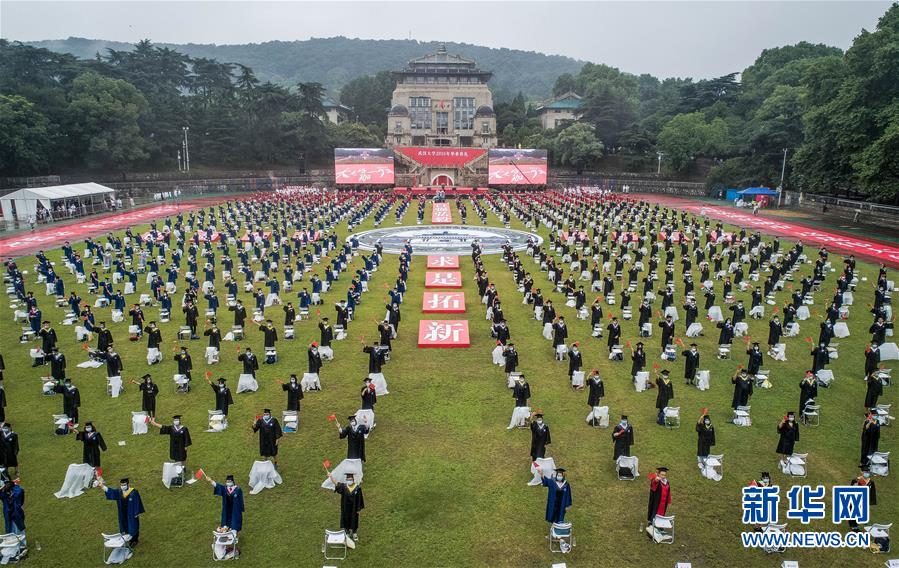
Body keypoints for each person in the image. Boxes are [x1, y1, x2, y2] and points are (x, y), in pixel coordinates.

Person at [100, 477, 145, 546]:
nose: (122, 486)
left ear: (127, 484)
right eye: (121, 485)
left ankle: (134, 540)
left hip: (131, 513)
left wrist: (137, 512)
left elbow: (137, 502)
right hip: (122, 513)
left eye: (124, 485)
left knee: (133, 526)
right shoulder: (119, 492)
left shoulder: (133, 492)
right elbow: (112, 492)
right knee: (124, 525)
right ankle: (128, 538)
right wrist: (102, 486)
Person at [326, 468, 364, 543]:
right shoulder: (344, 487)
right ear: (346, 479)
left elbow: (360, 499)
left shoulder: (357, 488)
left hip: (354, 509)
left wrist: (359, 508)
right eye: (348, 479)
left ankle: (354, 533)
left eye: (350, 479)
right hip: (345, 508)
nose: (349, 480)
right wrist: (331, 477)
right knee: (345, 519)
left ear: (353, 479)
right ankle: (347, 533)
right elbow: (336, 484)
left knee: (354, 520)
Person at [0, 476, 25, 542]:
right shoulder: (4, 494)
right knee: (10, 530)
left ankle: (22, 544)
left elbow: (19, 492)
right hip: (8, 514)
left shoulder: (16, 491)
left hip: (17, 513)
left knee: (19, 529)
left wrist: (13, 485)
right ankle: (13, 543)